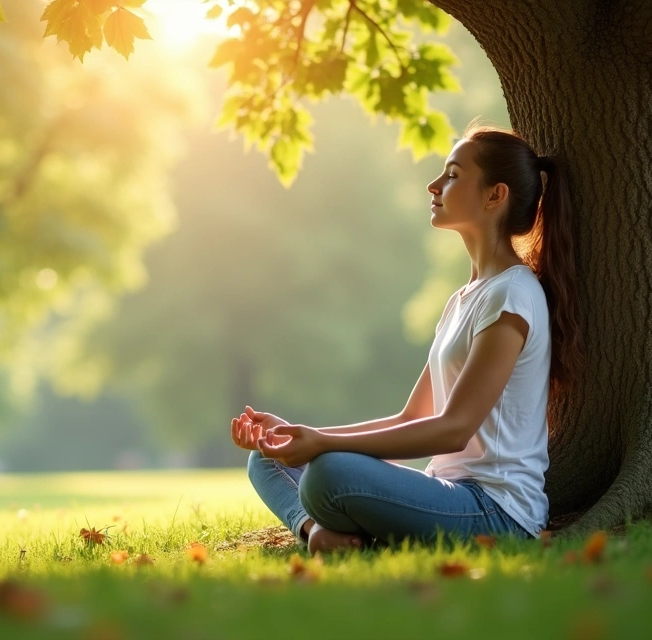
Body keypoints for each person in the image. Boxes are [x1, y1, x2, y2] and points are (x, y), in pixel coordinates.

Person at [231, 123, 581, 553]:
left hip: (496, 511)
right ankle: (318, 532)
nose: (434, 185)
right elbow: (411, 418)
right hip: (446, 492)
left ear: (495, 195)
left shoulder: (513, 294)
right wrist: (300, 435)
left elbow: (453, 429)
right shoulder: (464, 298)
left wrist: (322, 445)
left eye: (452, 174)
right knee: (266, 458)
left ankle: (344, 531)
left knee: (327, 474)